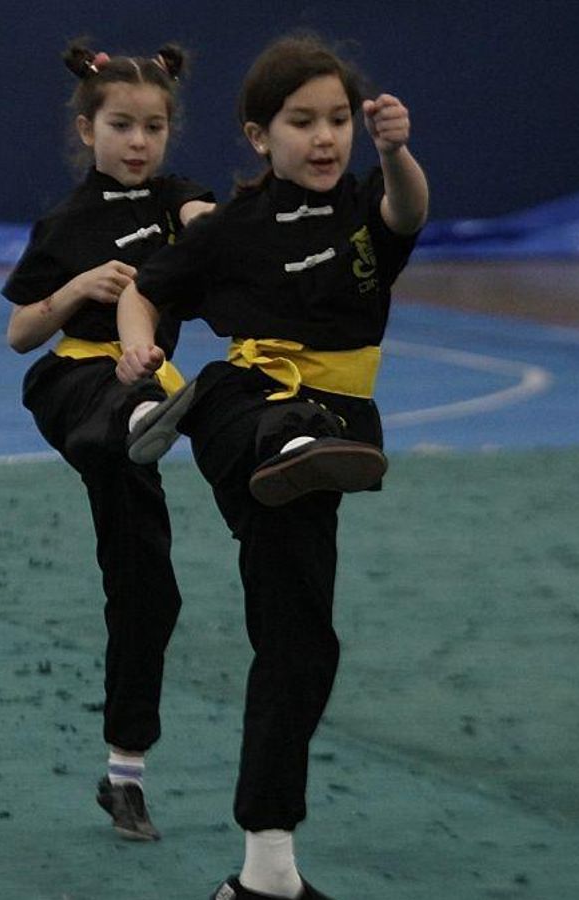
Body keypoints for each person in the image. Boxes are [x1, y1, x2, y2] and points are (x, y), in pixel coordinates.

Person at [114, 33, 428, 900]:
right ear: (259, 136)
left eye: (338, 121)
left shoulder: (367, 207)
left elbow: (410, 212)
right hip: (247, 414)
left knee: (301, 648)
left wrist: (398, 153)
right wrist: (134, 351)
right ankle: (187, 414)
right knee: (260, 409)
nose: (325, 138)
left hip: (333, 446)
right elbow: (144, 290)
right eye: (302, 122)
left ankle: (265, 878)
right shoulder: (230, 231)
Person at [2, 38, 216, 843]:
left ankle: (125, 776)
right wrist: (75, 289)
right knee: (119, 406)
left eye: (153, 128)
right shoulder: (65, 221)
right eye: (121, 125)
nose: (138, 142)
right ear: (87, 130)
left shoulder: (178, 200)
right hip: (76, 384)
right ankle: (136, 423)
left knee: (148, 593)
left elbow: (207, 222)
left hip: (150, 391)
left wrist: (212, 223)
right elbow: (21, 332)